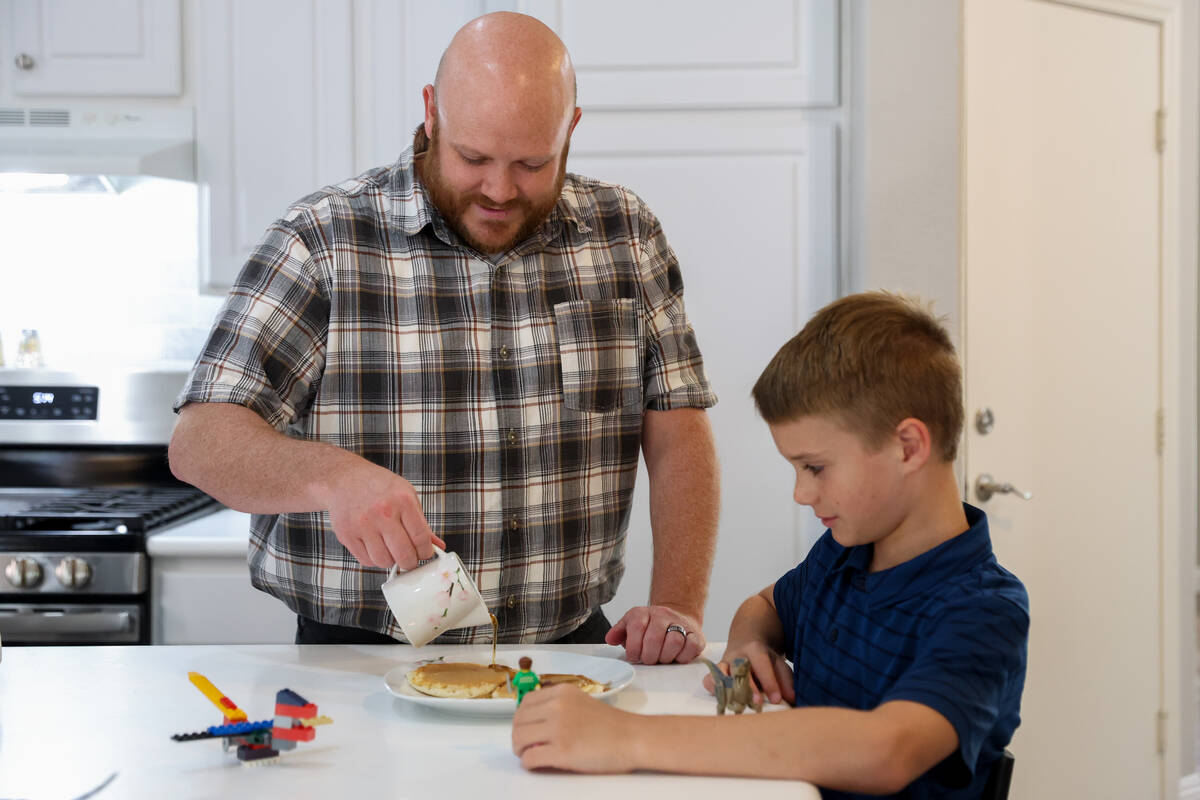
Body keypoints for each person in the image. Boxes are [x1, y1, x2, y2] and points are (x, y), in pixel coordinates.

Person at [168, 12, 718, 661]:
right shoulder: (323, 241)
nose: (499, 188)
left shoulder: (624, 232)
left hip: (572, 652)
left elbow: (676, 426)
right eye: (473, 157)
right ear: (432, 114)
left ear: (570, 129)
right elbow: (200, 443)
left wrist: (678, 602)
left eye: (532, 163)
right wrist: (330, 478)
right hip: (359, 659)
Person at [511, 292, 1029, 798]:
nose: (802, 494)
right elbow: (763, 606)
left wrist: (627, 738)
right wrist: (749, 646)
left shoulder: (983, 611)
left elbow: (884, 750)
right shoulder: (844, 557)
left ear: (908, 446)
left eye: (815, 467)